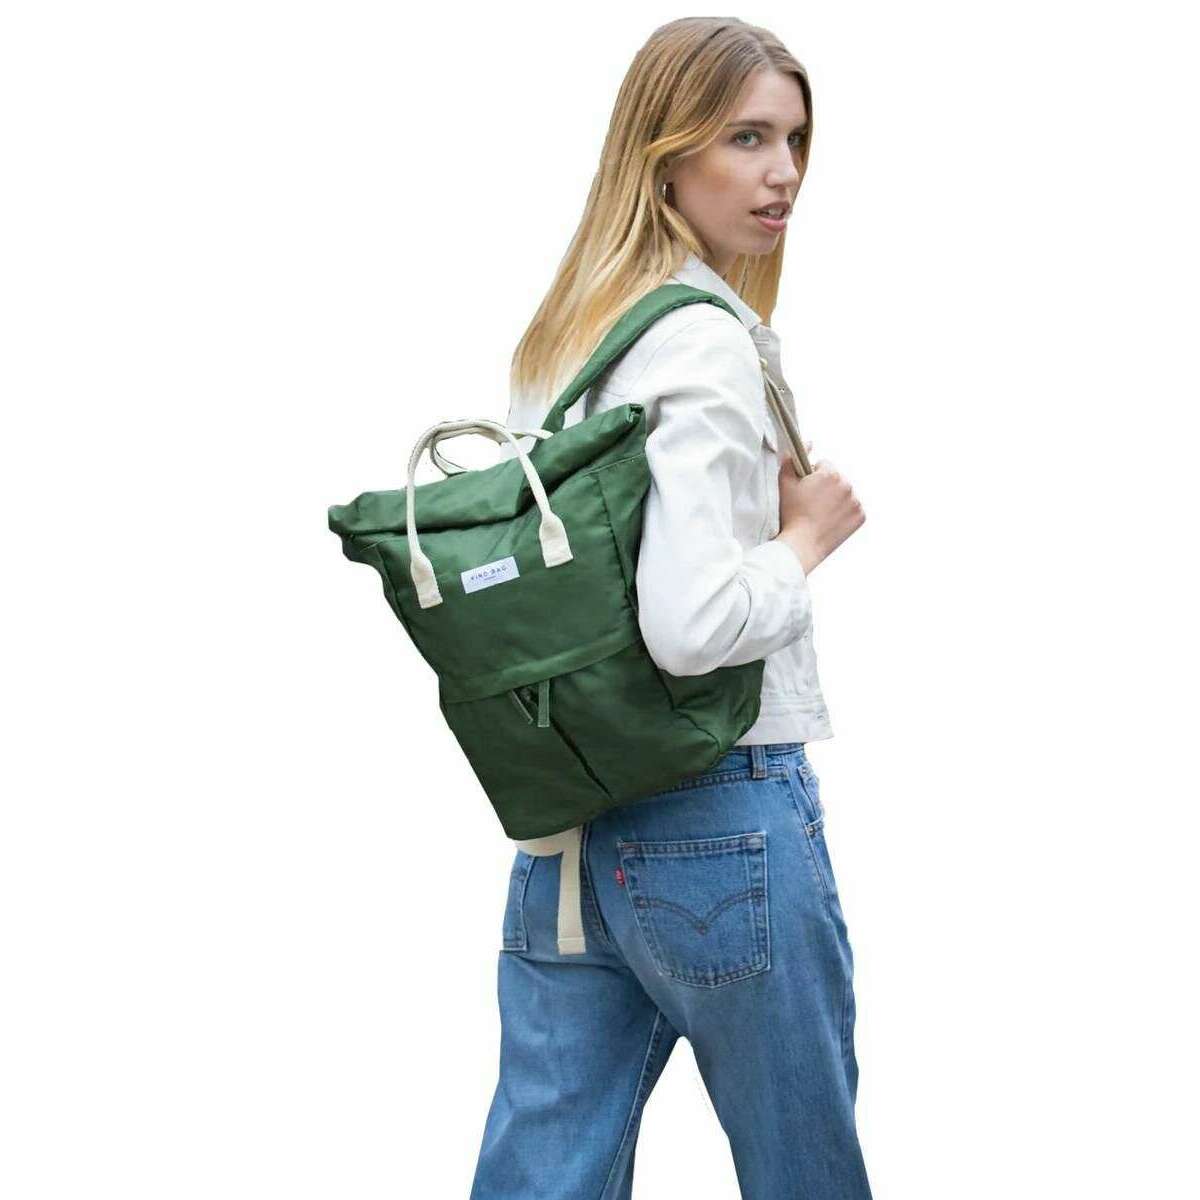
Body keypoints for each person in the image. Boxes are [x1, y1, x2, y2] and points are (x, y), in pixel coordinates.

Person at [472, 17, 871, 1199]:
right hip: (720, 810)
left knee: (546, 1174)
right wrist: (804, 541)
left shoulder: (569, 335)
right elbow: (689, 629)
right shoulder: (702, 343)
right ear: (662, 151)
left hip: (570, 833)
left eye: (794, 140)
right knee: (804, 1174)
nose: (783, 173)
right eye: (745, 138)